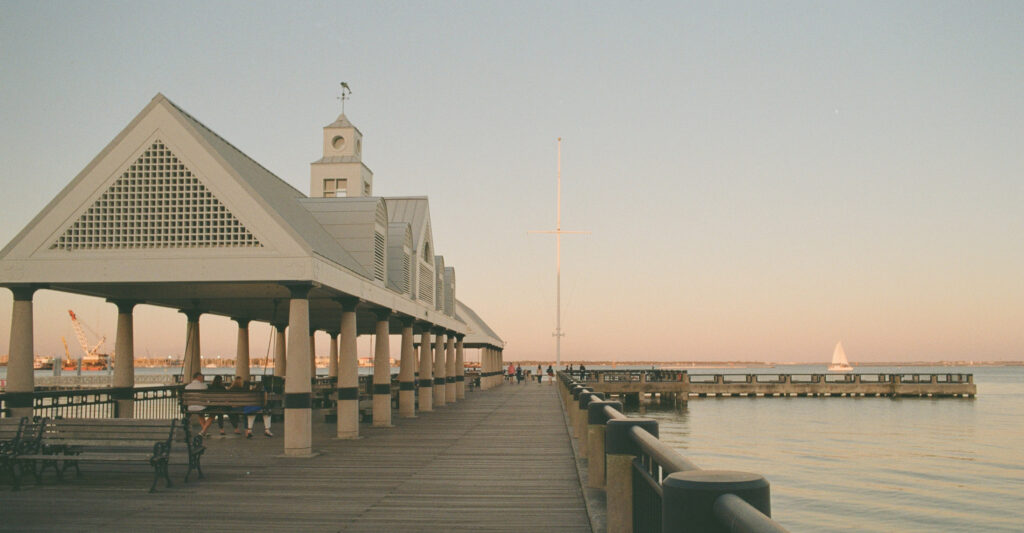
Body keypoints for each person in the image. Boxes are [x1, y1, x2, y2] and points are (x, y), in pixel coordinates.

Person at [184, 372, 214, 436]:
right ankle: (203, 431)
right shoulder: (204, 385)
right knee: (213, 414)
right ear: (198, 377)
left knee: (200, 415)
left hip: (190, 407)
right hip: (201, 407)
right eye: (202, 377)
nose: (203, 379)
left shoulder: (187, 387)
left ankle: (204, 431)